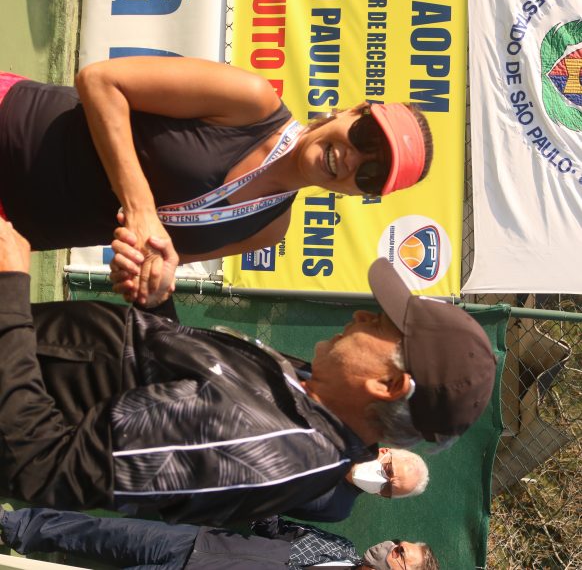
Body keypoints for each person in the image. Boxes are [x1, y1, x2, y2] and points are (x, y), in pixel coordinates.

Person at [0, 218, 495, 524]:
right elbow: (170, 390)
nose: (363, 315)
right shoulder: (313, 401)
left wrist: (10, 287)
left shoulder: (266, 444)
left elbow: (42, 466)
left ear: (387, 384)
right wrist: (156, 305)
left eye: (380, 324)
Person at [0, 57, 433, 303]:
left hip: (20, 229)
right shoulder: (252, 101)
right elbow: (99, 81)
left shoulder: (270, 229)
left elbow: (153, 253)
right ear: (351, 111)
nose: (353, 157)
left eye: (371, 174)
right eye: (365, 135)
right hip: (15, 130)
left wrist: (147, 277)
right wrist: (140, 207)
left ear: (361, 193)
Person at [0, 507, 439, 570]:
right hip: (198, 544)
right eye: (398, 542)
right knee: (100, 532)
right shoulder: (339, 549)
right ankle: (13, 527)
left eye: (401, 553)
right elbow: (272, 526)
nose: (391, 545)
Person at [289, 447, 430, 522]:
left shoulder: (337, 510)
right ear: (383, 451)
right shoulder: (339, 434)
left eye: (387, 489)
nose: (382, 480)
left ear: (382, 496)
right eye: (388, 470)